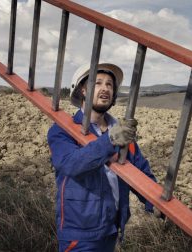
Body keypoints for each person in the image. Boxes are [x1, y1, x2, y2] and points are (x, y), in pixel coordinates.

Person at [47, 63, 157, 252]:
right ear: (83, 90)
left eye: (109, 85)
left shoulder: (121, 131)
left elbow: (139, 171)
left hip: (111, 230)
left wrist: (155, 201)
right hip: (80, 234)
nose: (105, 88)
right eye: (97, 83)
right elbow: (72, 164)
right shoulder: (63, 131)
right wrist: (110, 139)